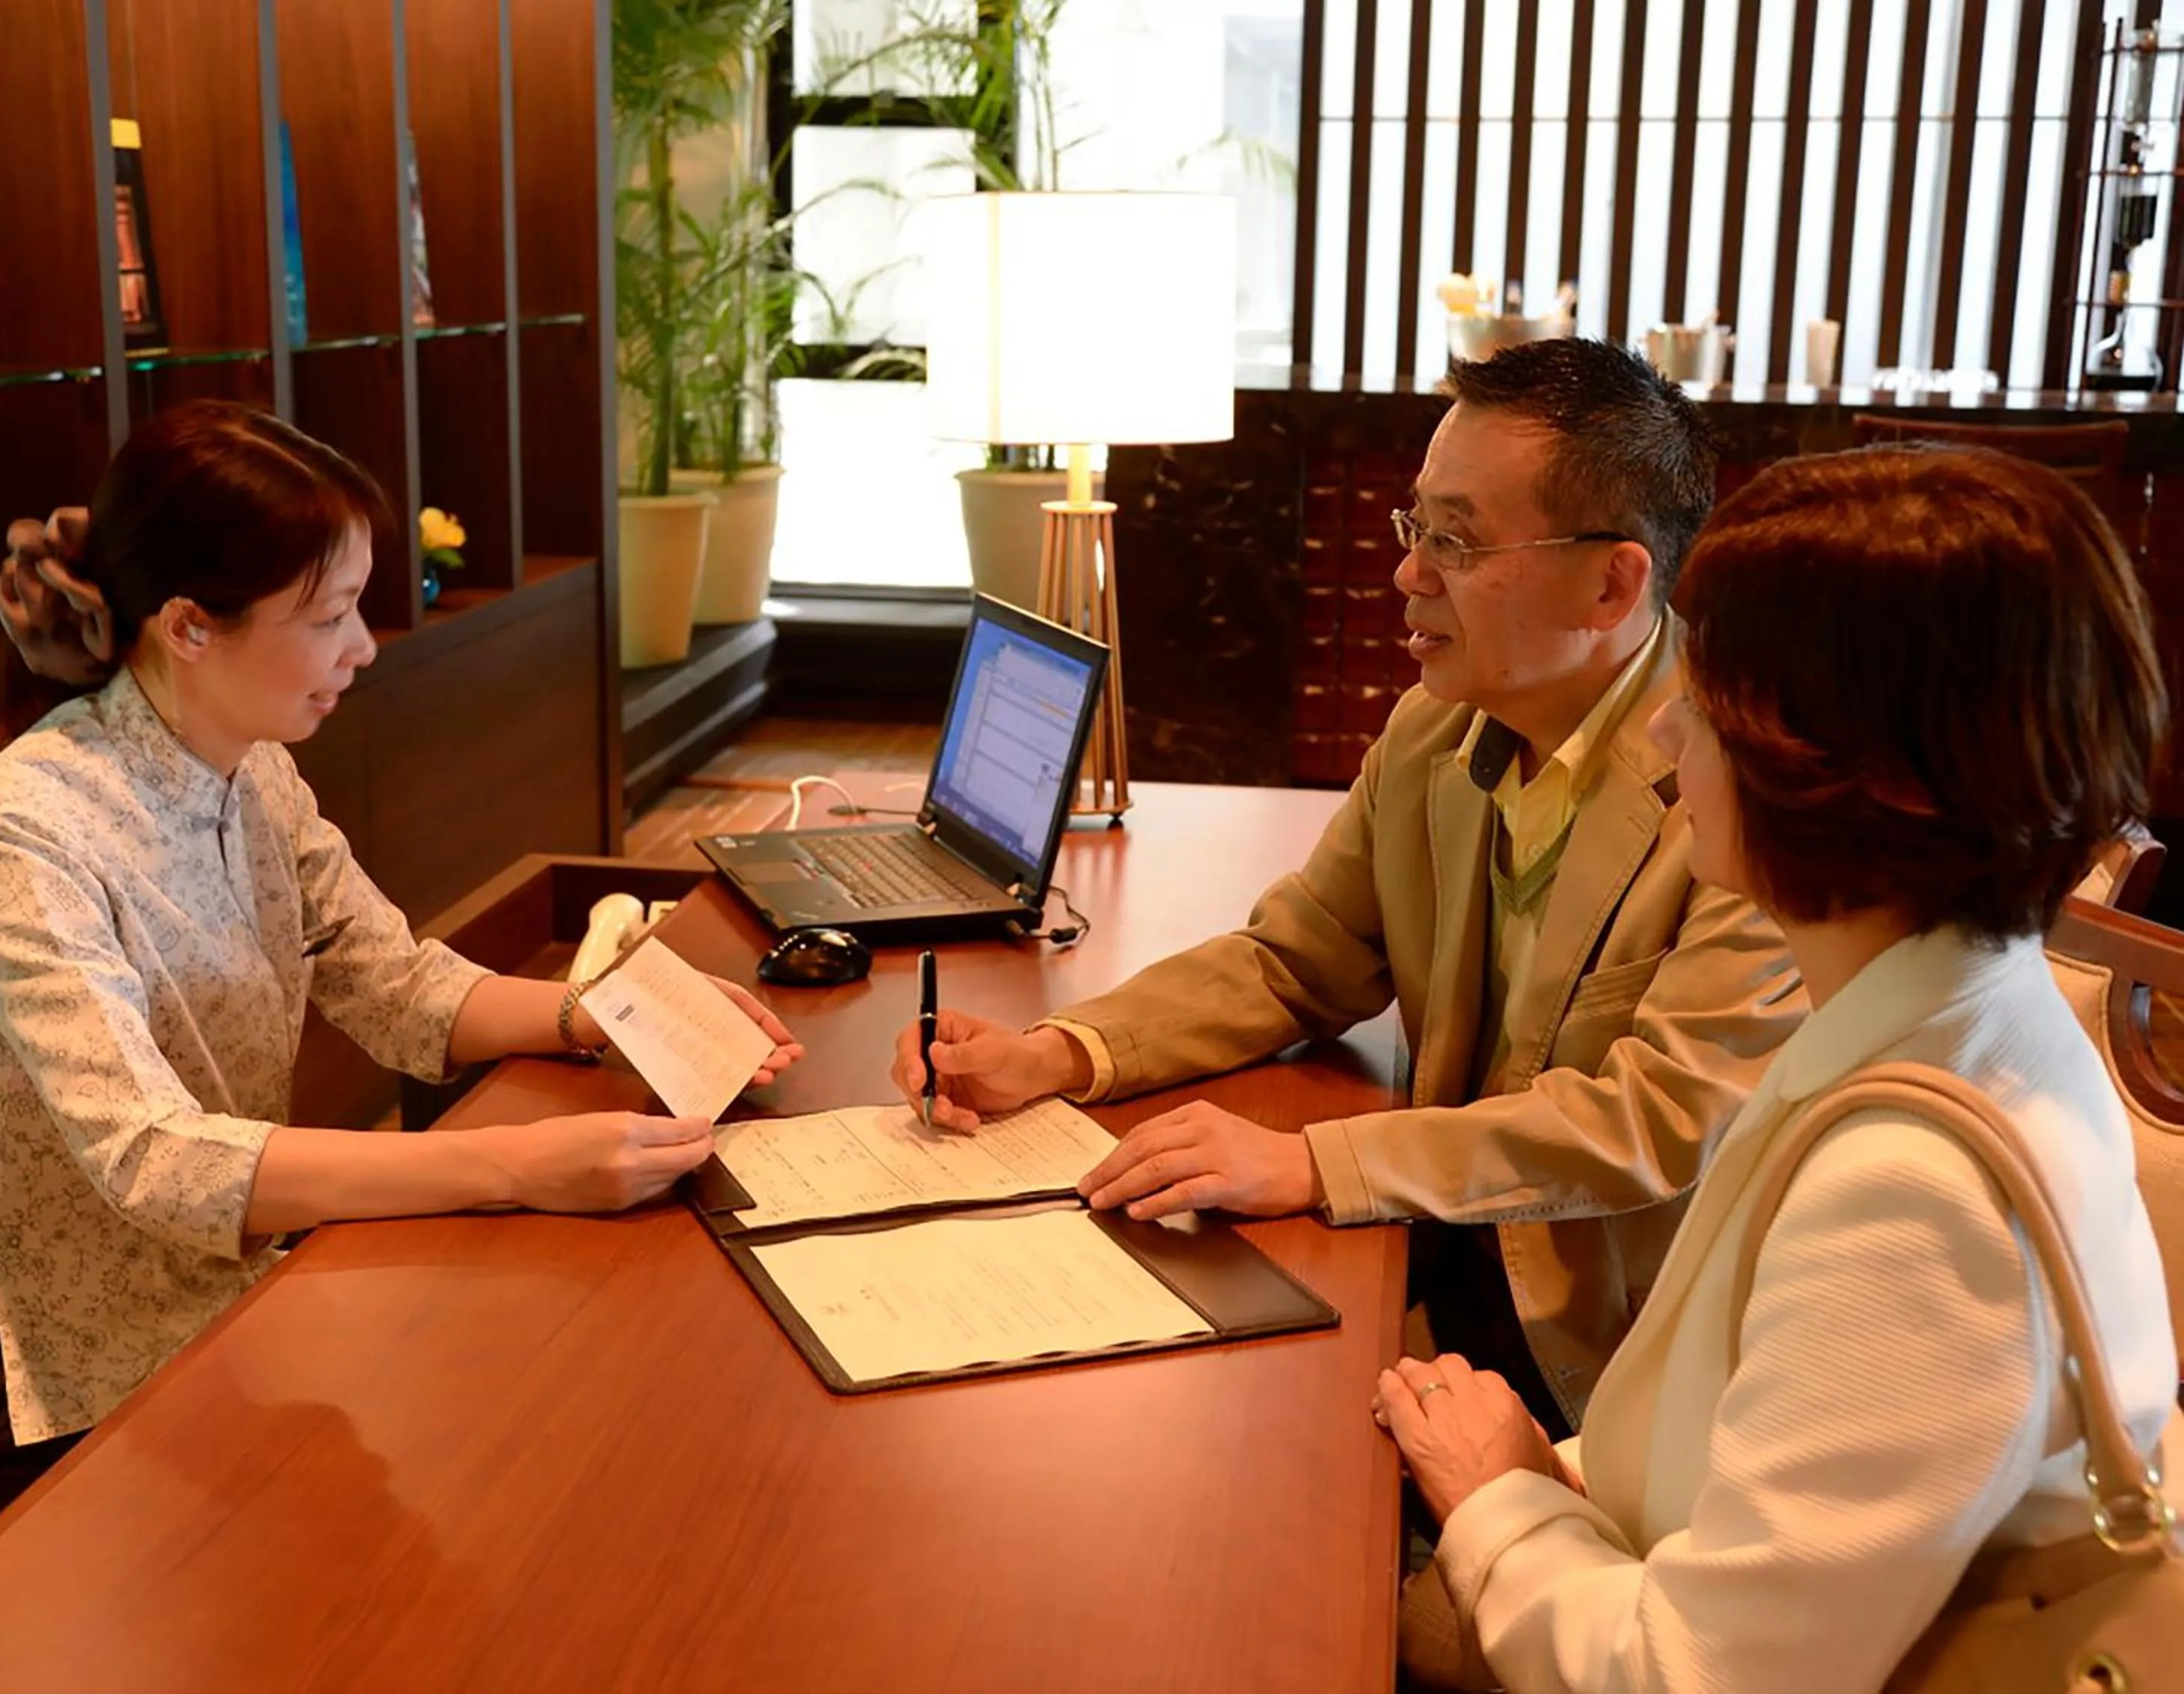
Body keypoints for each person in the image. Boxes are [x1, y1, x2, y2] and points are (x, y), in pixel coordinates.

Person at [891, 338, 1804, 1442]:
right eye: (1416, 528)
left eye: (1457, 541)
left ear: (1611, 582)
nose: (1409, 576)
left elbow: (1654, 1119)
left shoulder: (1745, 792)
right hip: (1428, 1260)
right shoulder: (1435, 731)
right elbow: (1297, 956)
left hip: (1601, 1360)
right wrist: (1058, 1054)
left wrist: (1312, 1161)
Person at [1372, 446, 2180, 1692]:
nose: (1663, 728)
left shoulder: (1913, 1195)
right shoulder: (1942, 1003)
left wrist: (1498, 1497)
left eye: (1708, 699)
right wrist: (1540, 1478)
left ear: (1854, 766)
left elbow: (1696, 1674)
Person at [0, 401, 802, 1528]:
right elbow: (149, 1155)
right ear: (188, 625)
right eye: (331, 614)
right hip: (56, 1383)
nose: (364, 646)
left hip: (221, 1297)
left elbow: (392, 981)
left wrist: (612, 1010)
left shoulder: (249, 765)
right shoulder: (24, 831)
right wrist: (514, 1165)